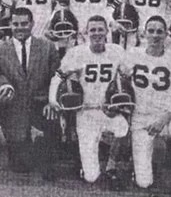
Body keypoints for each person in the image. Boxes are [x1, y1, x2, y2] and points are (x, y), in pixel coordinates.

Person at [47, 15, 130, 185]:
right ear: (86, 33)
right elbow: (58, 77)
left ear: (107, 31)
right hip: (86, 111)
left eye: (100, 29)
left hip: (108, 109)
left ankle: (111, 166)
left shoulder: (117, 51)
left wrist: (120, 100)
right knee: (91, 177)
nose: (97, 33)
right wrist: (52, 99)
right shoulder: (77, 53)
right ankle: (88, 158)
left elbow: (129, 76)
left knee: (122, 126)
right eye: (93, 30)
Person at [0, 7, 61, 180]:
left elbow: (56, 78)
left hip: (40, 104)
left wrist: (51, 101)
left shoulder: (47, 47)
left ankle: (44, 148)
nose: (20, 28)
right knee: (21, 166)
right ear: (10, 24)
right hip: (14, 107)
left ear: (32, 24)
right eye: (16, 24)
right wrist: (4, 86)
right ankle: (28, 145)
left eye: (24, 23)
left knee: (48, 160)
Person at [124, 15, 171, 190]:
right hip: (140, 118)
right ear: (144, 33)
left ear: (166, 34)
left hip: (166, 116)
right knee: (144, 183)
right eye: (151, 31)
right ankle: (140, 167)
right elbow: (121, 84)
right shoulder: (132, 54)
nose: (155, 35)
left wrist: (163, 120)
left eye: (159, 32)